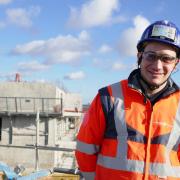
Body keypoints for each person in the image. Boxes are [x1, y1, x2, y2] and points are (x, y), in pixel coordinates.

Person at [75, 20, 180, 180]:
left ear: (176, 63)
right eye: (151, 56)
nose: (158, 66)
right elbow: (85, 150)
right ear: (139, 57)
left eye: (167, 59)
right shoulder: (108, 97)